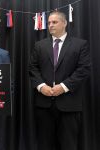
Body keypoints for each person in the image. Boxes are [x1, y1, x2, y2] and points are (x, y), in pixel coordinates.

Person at [29, 11, 91, 150]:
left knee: (69, 144)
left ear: (64, 23)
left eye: (54, 22)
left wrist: (63, 87)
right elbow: (33, 68)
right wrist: (41, 86)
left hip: (69, 105)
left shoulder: (80, 45)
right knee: (44, 144)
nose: (50, 25)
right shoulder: (39, 45)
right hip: (43, 105)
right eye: (49, 22)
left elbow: (83, 70)